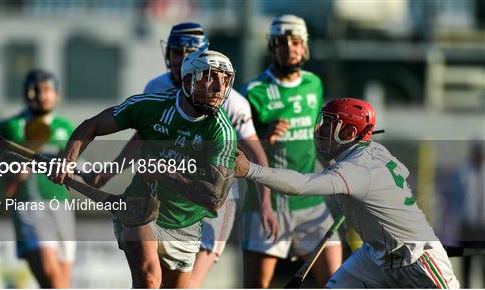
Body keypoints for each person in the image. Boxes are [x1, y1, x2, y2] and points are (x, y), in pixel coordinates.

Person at [85, 22, 270, 288]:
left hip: (213, 198)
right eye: (175, 52)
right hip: (160, 199)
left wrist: (266, 203)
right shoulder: (156, 87)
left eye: (189, 52)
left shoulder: (230, 100)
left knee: (189, 285)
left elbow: (255, 152)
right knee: (150, 278)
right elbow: (145, 137)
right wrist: (109, 172)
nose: (180, 59)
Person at [50, 50, 237, 288]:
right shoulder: (152, 106)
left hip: (185, 224)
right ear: (189, 80)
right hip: (139, 207)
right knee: (149, 279)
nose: (219, 87)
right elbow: (92, 126)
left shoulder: (222, 131)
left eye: (225, 79)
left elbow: (215, 197)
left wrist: (165, 173)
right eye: (211, 77)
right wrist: (68, 160)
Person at [235, 98, 460, 288]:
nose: (320, 130)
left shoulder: (355, 170)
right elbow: (402, 170)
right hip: (376, 255)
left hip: (416, 257)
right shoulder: (374, 150)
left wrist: (250, 169)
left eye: (328, 124)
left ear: (350, 132)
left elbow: (300, 186)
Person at [240, 14, 342, 287]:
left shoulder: (314, 84)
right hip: (269, 205)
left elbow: (316, 136)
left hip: (311, 203)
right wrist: (263, 137)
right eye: (282, 43)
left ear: (305, 46)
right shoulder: (252, 92)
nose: (290, 49)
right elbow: (235, 153)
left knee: (337, 281)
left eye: (296, 42)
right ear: (272, 47)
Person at [0, 69, 76, 288]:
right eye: (36, 90)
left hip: (62, 208)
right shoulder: (10, 127)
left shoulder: (66, 128)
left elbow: (82, 164)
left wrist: (71, 167)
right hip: (28, 207)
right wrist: (6, 167)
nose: (41, 96)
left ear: (57, 95)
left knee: (61, 282)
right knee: (51, 277)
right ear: (26, 94)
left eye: (47, 90)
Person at [450, 141, 485, 288]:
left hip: (483, 226)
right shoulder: (463, 172)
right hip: (467, 225)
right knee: (467, 264)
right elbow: (454, 196)